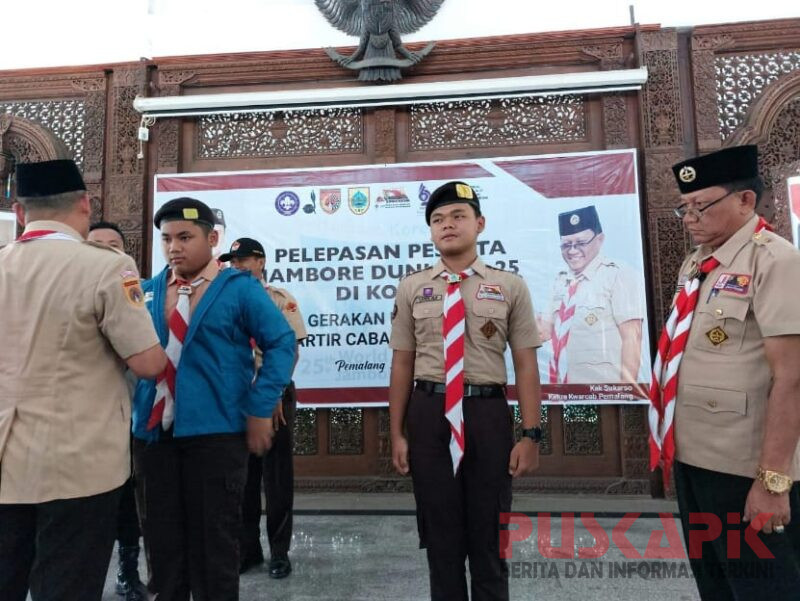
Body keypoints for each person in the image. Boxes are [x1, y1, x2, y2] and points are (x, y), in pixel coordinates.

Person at [0, 159, 167, 601]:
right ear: (85, 205)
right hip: (77, 463)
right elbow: (149, 363)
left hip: (5, 464)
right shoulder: (106, 267)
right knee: (66, 585)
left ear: (19, 212)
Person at [649, 145, 800, 600]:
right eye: (684, 207)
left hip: (745, 468)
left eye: (702, 204)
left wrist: (773, 481)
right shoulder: (697, 264)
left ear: (745, 201)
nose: (690, 217)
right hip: (697, 460)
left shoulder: (775, 261)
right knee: (716, 585)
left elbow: (791, 379)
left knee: (763, 589)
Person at [132, 197, 296, 601]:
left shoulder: (238, 289)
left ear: (212, 238)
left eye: (185, 237)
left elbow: (281, 342)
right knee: (163, 554)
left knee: (215, 554)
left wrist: (259, 407)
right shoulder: (147, 291)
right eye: (167, 238)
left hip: (216, 438)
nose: (174, 247)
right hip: (153, 440)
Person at [388, 181, 543, 601]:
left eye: (457, 216)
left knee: (490, 536)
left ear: (479, 223)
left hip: (486, 414)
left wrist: (531, 434)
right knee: (441, 537)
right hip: (429, 413)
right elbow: (402, 362)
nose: (447, 225)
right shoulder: (412, 287)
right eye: (437, 220)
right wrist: (397, 433)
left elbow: (526, 364)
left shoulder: (510, 286)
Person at [221, 237, 307, 579]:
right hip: (236, 400)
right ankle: (248, 551)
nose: (237, 266)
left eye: (243, 260)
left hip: (274, 399)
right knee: (242, 480)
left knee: (276, 481)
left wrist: (270, 396)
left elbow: (289, 351)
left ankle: (280, 553)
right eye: (232, 261)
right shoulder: (222, 301)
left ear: (261, 261)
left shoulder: (279, 299)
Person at [87, 220, 147, 601]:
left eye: (115, 245)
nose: (108, 251)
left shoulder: (141, 297)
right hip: (83, 423)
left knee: (127, 503)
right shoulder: (68, 295)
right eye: (97, 245)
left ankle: (128, 573)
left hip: (131, 420)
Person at [537, 205, 644, 384]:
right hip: (559, 388)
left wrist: (627, 389)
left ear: (600, 239)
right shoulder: (560, 281)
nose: (572, 251)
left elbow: (632, 337)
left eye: (580, 243)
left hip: (602, 390)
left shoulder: (619, 275)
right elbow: (545, 332)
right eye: (566, 245)